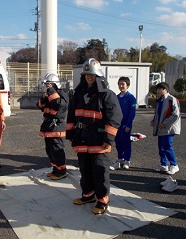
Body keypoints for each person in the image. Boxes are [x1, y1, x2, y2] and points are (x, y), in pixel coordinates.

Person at [66, 58, 122, 214]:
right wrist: (70, 133)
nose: (89, 77)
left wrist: (108, 139)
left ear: (98, 75)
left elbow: (115, 118)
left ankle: (102, 199)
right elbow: (71, 115)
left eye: (92, 75)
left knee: (100, 171)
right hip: (82, 138)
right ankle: (88, 194)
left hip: (99, 141)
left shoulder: (107, 94)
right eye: (86, 75)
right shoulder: (78, 93)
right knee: (85, 169)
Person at [37, 73, 69, 180]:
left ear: (55, 84)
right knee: (49, 150)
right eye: (46, 85)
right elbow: (40, 106)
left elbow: (59, 105)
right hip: (48, 126)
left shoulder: (61, 94)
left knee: (57, 149)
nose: (47, 87)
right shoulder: (49, 95)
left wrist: (51, 92)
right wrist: (43, 98)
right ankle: (56, 169)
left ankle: (62, 171)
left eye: (49, 85)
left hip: (56, 127)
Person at [150, 82, 181, 175]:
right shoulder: (159, 100)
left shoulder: (172, 99)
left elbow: (176, 115)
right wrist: (153, 120)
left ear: (166, 90)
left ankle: (174, 165)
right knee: (161, 147)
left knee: (167, 146)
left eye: (160, 89)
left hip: (169, 128)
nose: (158, 91)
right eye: (157, 89)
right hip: (161, 128)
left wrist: (165, 123)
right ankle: (163, 165)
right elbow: (157, 114)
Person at [110, 76, 136, 170]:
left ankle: (127, 160)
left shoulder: (131, 98)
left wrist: (128, 124)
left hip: (125, 124)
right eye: (119, 84)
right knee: (118, 142)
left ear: (127, 86)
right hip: (117, 125)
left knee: (126, 142)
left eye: (123, 84)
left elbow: (132, 113)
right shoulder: (116, 97)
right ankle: (120, 159)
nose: (121, 86)